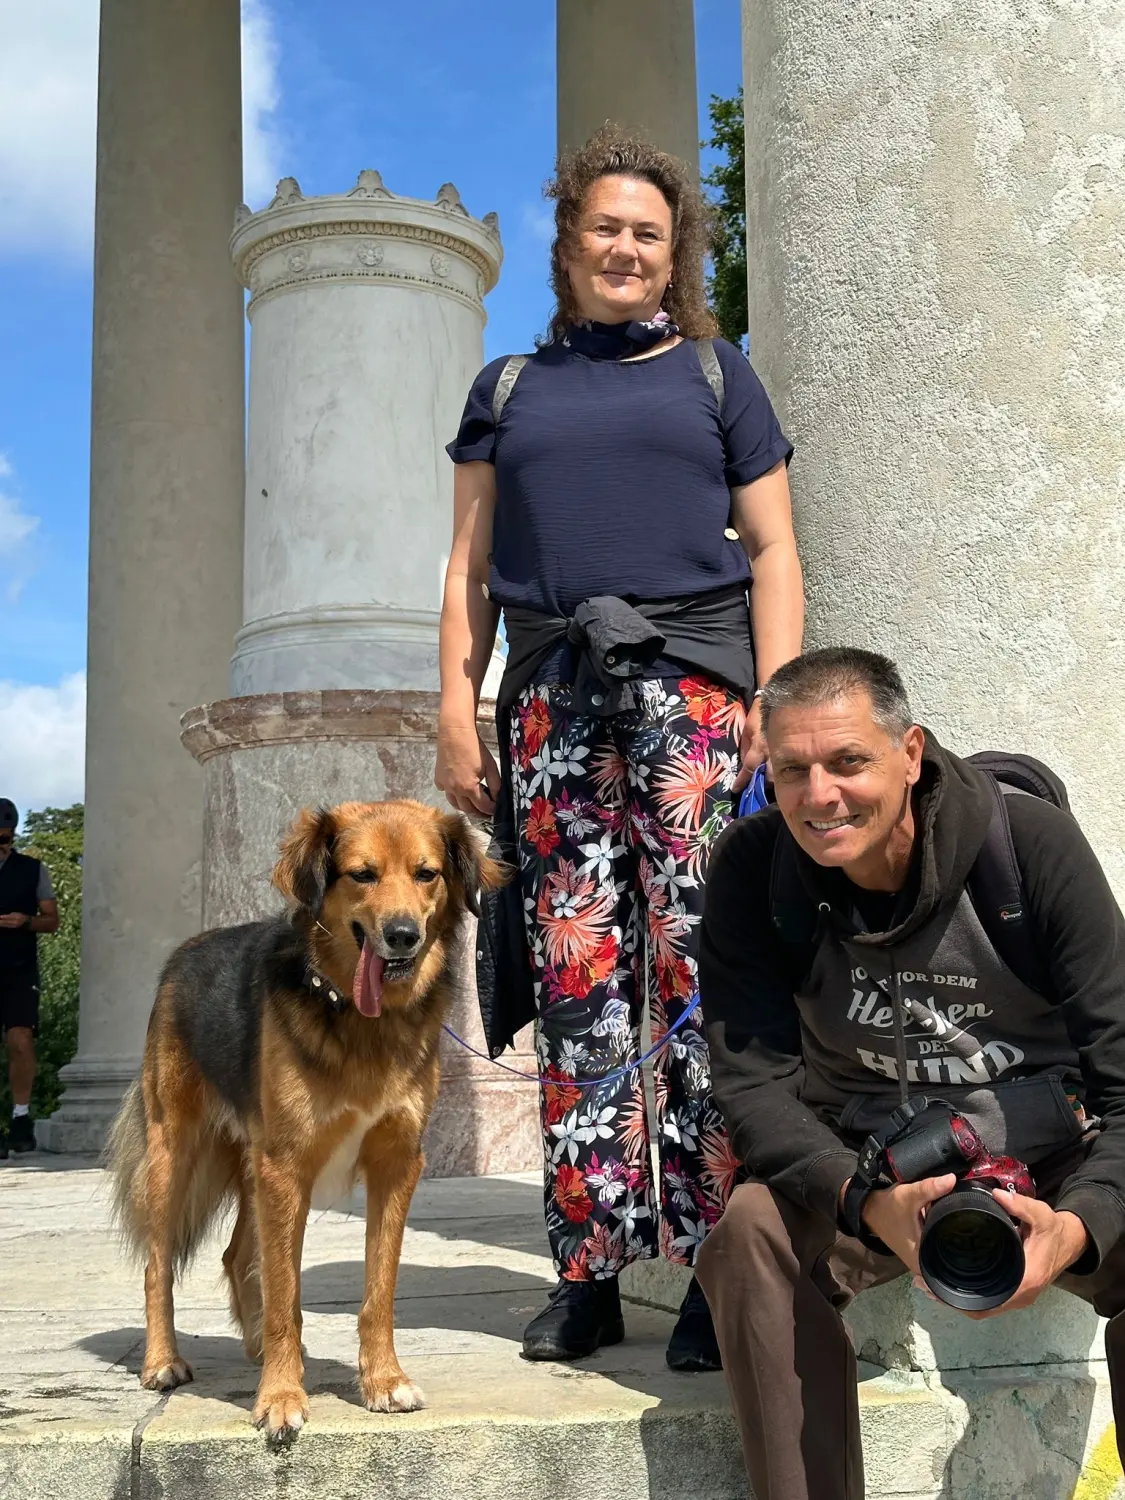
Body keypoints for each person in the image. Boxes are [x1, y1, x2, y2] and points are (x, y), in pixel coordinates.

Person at [436, 128, 803, 1369]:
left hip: (698, 705)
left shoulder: (717, 375)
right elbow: (470, 569)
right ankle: (589, 1270)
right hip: (549, 700)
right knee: (581, 988)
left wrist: (779, 694)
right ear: (568, 240)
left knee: (701, 982)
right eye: (606, 226)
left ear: (673, 252)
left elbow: (774, 553)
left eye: (649, 232)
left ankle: (715, 1270)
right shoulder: (507, 390)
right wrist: (453, 702)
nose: (626, 248)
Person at [695, 647, 1125, 1499]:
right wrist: (865, 1205)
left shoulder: (1026, 849)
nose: (820, 796)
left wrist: (1074, 1229)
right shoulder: (753, 870)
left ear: (909, 753)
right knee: (747, 1236)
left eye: (848, 760)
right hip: (869, 1157)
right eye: (792, 770)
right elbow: (751, 1085)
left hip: (1045, 1146)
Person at [0, 798, 59, 1157]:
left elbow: (52, 920)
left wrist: (25, 922)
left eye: (5, 837)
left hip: (19, 969)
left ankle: (21, 1118)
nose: (2, 844)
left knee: (20, 1041)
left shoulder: (32, 869)